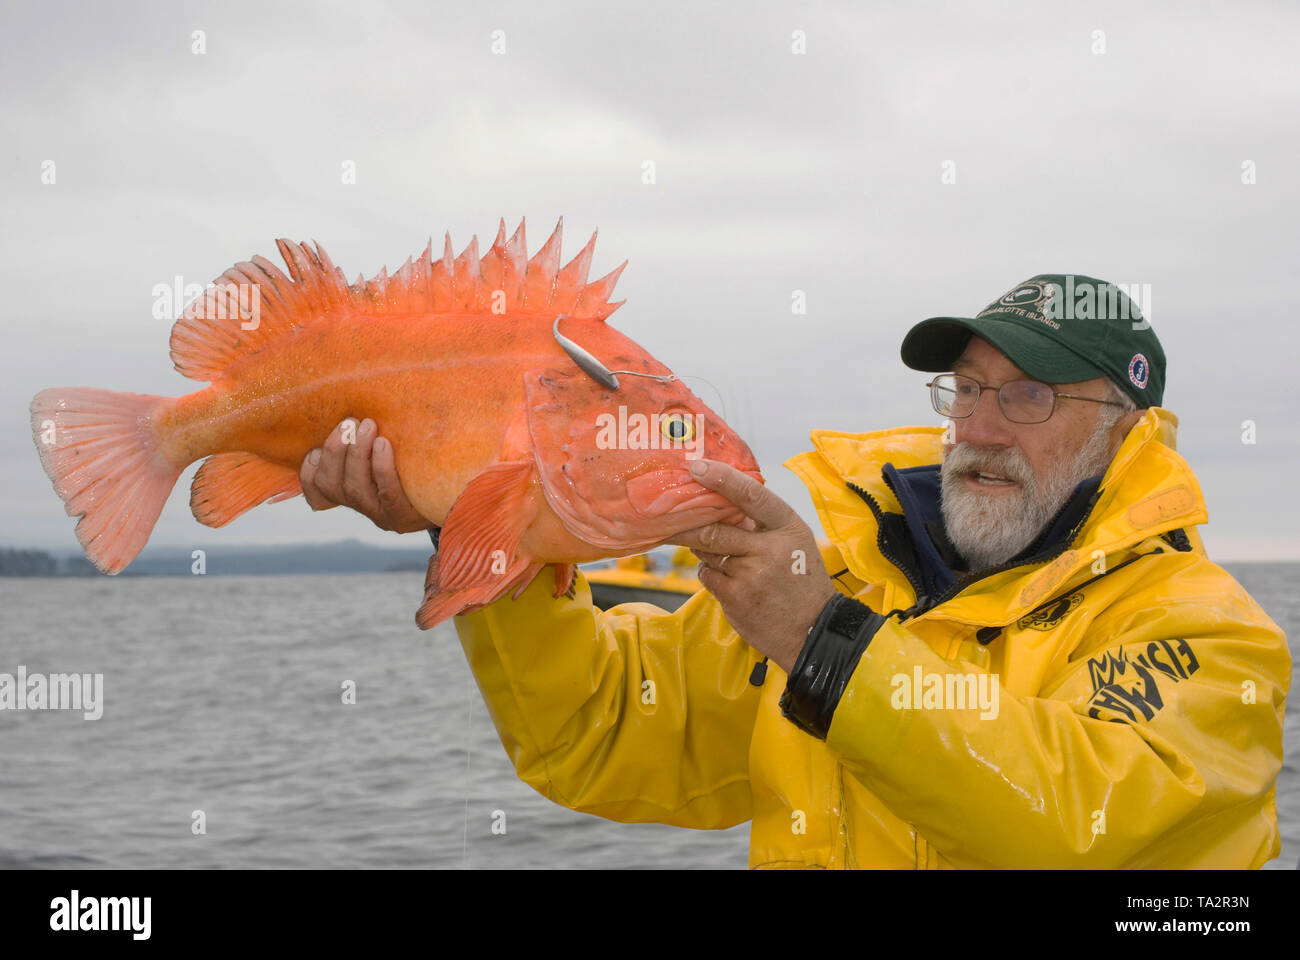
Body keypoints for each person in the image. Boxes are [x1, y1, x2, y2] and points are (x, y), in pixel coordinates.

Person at [300, 274, 1290, 869]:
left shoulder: (1208, 635)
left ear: (1127, 429)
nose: (976, 428)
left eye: (1026, 397)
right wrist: (490, 534)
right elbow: (604, 733)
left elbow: (1082, 826)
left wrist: (821, 646)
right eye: (967, 391)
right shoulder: (843, 580)